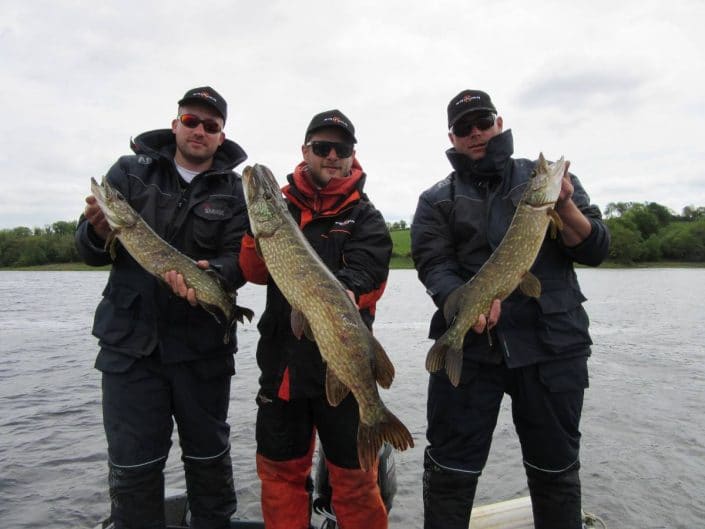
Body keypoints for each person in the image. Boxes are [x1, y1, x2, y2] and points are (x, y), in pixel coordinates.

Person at [410, 89, 610, 529]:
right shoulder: (436, 198)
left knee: (555, 472)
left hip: (551, 347)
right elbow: (434, 263)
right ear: (453, 136)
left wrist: (564, 204)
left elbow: (596, 248)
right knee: (449, 473)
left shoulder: (543, 185)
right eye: (465, 128)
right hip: (474, 347)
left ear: (498, 123)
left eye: (483, 122)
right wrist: (459, 303)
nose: (476, 133)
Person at [75, 86, 249, 529]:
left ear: (220, 135)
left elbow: (240, 258)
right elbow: (89, 251)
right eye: (191, 121)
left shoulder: (233, 190)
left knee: (210, 464)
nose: (199, 131)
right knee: (133, 472)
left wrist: (218, 274)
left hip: (203, 351)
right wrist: (98, 231)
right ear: (176, 124)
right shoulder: (131, 172)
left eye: (210, 126)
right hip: (130, 350)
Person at [238, 109, 393, 529]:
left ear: (351, 155)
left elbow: (371, 274)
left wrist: (346, 290)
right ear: (305, 151)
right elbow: (253, 272)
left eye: (340, 149)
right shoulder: (281, 210)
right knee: (280, 479)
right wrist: (257, 227)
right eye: (322, 147)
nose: (331, 156)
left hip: (341, 365)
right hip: (283, 369)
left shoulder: (366, 217)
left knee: (357, 482)